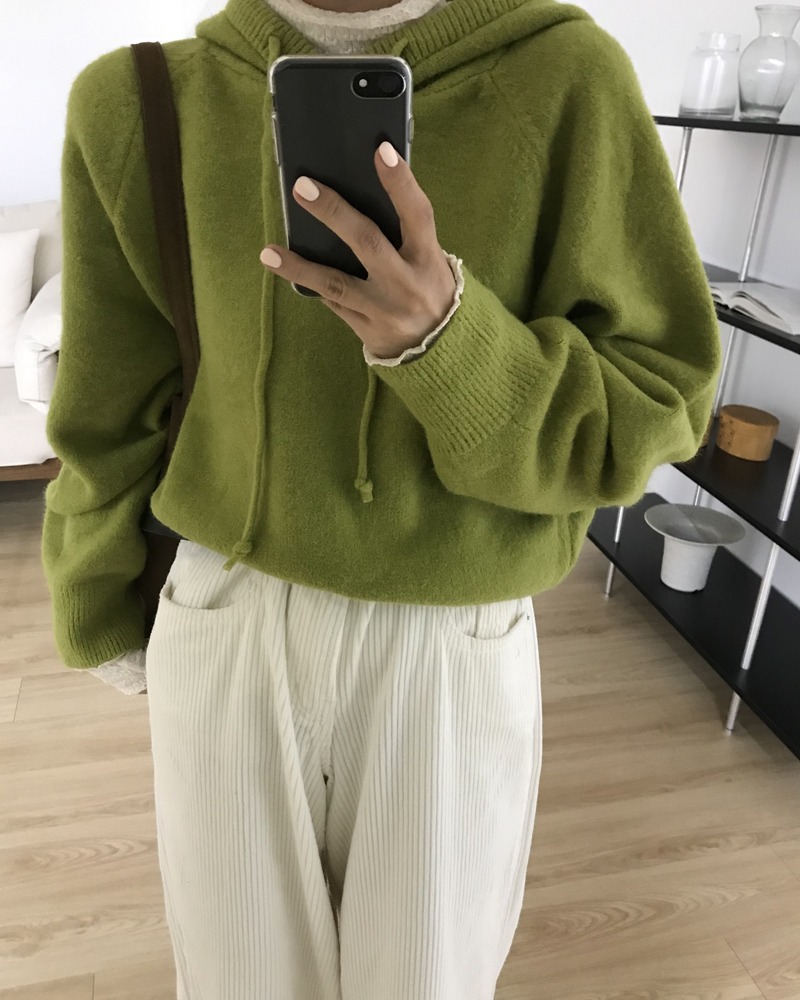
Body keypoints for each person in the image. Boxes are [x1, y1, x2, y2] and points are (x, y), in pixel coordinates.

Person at [41, 0, 721, 996]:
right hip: (222, 614)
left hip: (451, 635)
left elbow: (657, 404)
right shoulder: (137, 101)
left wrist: (449, 341)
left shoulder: (565, 78)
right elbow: (107, 397)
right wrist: (93, 583)